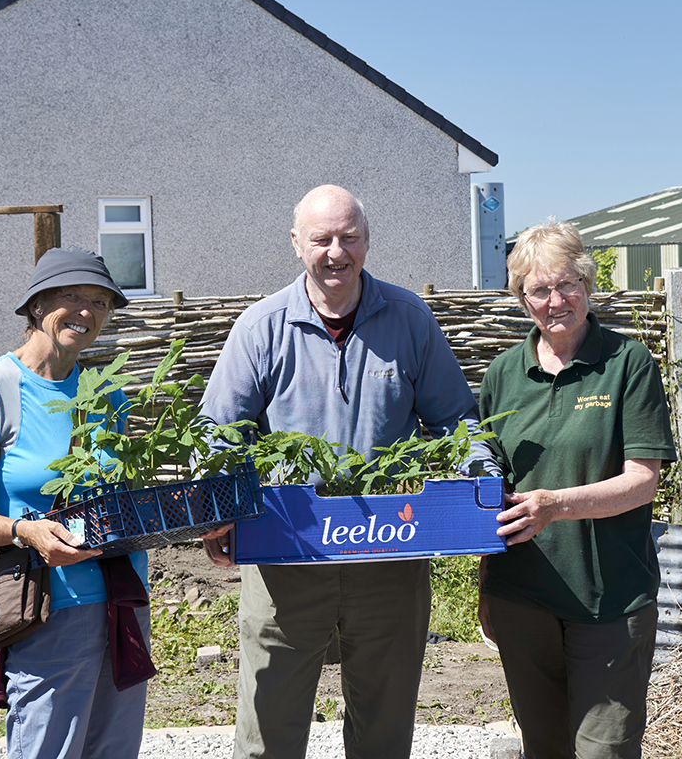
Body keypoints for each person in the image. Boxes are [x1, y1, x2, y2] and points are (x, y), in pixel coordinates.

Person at [198, 184, 497, 759]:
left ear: (367, 240)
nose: (337, 251)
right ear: (296, 244)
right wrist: (218, 514)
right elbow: (218, 433)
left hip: (389, 548)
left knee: (384, 730)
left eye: (350, 237)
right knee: (268, 731)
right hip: (287, 552)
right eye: (322, 239)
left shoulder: (409, 319)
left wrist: (482, 488)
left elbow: (457, 421)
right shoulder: (261, 328)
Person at [0, 246, 154, 759]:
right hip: (49, 607)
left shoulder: (107, 394)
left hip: (124, 599)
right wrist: (25, 531)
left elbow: (123, 497)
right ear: (37, 305)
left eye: (100, 302)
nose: (86, 311)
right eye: (71, 296)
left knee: (115, 749)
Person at [477, 219, 677, 759]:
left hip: (608, 596)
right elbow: (490, 489)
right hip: (522, 596)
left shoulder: (626, 364)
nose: (555, 299)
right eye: (539, 289)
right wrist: (486, 582)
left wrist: (554, 505)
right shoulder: (503, 375)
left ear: (587, 285)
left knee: (603, 750)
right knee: (544, 747)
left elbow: (642, 482)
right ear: (523, 298)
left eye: (567, 284)